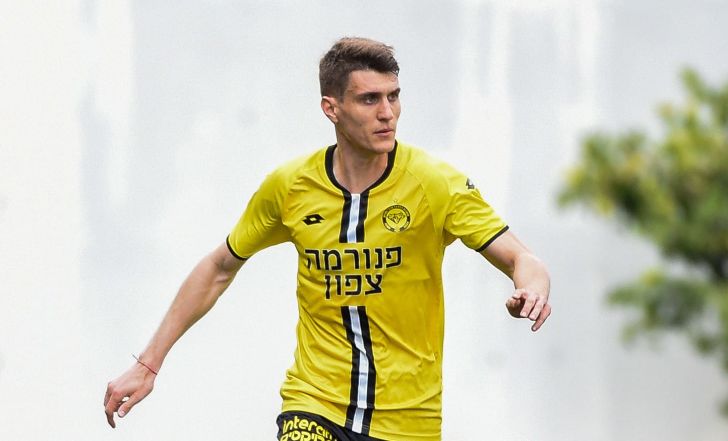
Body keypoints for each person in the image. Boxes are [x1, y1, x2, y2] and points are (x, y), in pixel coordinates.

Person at [104, 37, 551, 441]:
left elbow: (521, 258)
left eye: (394, 96)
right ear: (331, 108)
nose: (387, 113)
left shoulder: (435, 183)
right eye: (369, 99)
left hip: (408, 421)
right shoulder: (290, 186)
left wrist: (531, 288)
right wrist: (148, 363)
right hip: (314, 403)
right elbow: (219, 267)